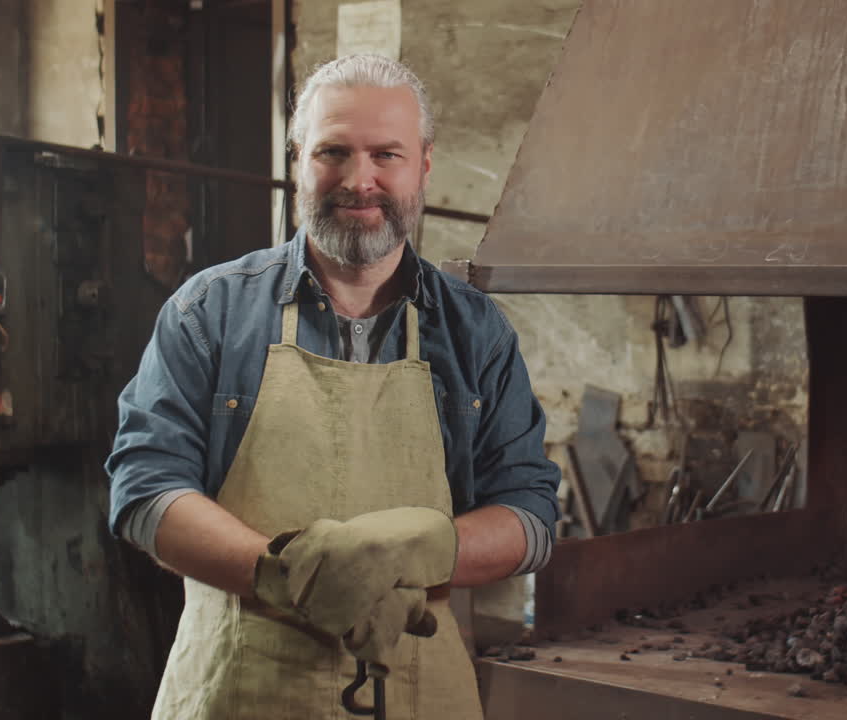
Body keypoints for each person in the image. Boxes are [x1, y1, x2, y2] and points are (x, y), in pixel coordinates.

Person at [105, 54, 560, 719]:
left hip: (415, 695)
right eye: (333, 152)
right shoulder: (209, 313)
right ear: (297, 159)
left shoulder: (475, 332)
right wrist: (281, 573)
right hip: (240, 693)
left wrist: (417, 551)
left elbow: (532, 517)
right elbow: (144, 491)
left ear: (424, 164)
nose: (360, 180)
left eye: (386, 155)